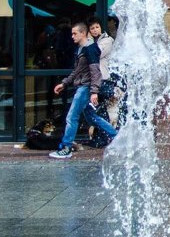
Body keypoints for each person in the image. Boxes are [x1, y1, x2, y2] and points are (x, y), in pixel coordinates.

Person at [48, 22, 118, 159]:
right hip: (85, 87)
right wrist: (64, 83)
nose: (72, 36)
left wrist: (94, 92)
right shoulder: (82, 49)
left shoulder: (90, 49)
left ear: (83, 33)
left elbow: (96, 72)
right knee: (92, 116)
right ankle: (117, 137)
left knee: (72, 117)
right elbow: (78, 70)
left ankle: (66, 147)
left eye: (75, 33)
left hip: (85, 88)